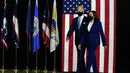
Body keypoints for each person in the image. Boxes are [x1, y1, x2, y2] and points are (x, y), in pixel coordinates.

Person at [66, 5, 88, 73]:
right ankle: (84, 70)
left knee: (80, 55)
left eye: (80, 10)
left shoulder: (86, 19)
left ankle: (78, 70)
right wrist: (68, 35)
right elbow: (71, 28)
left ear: (83, 11)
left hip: (84, 41)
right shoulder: (75, 20)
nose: (79, 11)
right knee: (80, 55)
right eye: (78, 10)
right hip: (77, 41)